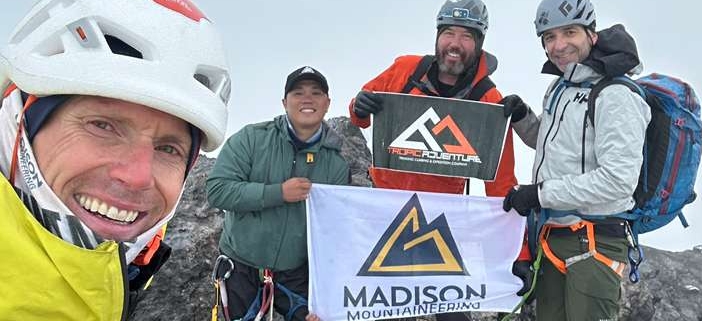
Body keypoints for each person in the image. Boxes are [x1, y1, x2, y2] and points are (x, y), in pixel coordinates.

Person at [0, 0, 231, 319]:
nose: (137, 176)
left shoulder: (132, 271)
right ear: (18, 123)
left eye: (168, 149)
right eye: (102, 126)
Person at [349, 0, 522, 320]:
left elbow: (501, 183)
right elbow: (360, 112)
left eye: (466, 36)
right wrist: (359, 107)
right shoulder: (406, 70)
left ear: (479, 43)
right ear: (437, 36)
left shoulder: (488, 100)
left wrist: (519, 253)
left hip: (441, 223)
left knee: (451, 313)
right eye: (448, 33)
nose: (455, 44)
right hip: (384, 212)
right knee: (376, 308)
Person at [501, 0, 652, 319]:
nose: (559, 45)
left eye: (569, 32)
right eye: (549, 37)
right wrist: (522, 118)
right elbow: (554, 144)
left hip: (595, 241)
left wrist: (540, 195)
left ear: (592, 35)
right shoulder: (560, 87)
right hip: (552, 236)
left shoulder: (616, 95)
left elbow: (617, 181)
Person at [206, 66, 349, 321]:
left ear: (327, 103)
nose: (307, 99)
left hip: (297, 274)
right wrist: (278, 193)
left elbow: (334, 231)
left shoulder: (337, 165)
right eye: (298, 93)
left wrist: (328, 291)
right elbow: (218, 190)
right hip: (240, 268)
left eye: (316, 93)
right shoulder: (250, 139)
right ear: (284, 102)